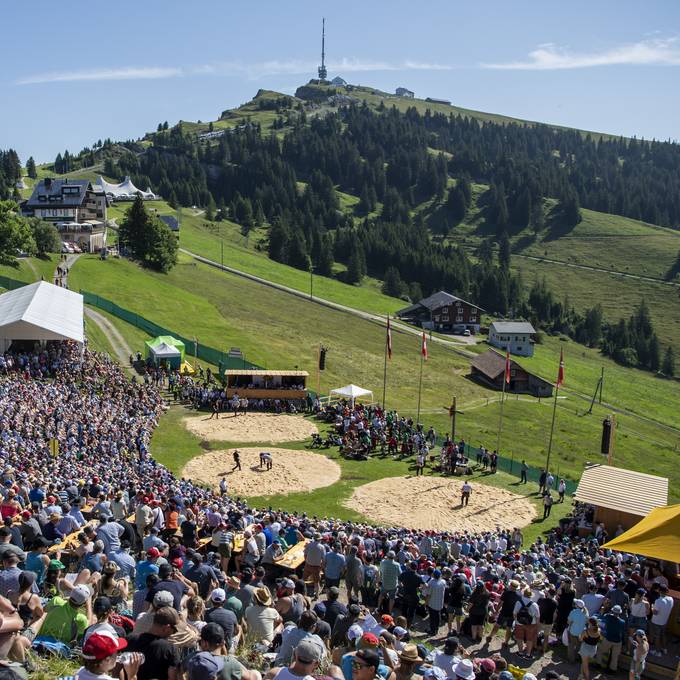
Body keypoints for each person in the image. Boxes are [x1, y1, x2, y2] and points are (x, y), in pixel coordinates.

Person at [127, 606, 183, 680]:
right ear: (166, 628)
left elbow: (118, 669)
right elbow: (172, 677)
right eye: (174, 631)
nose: (173, 634)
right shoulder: (171, 649)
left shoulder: (130, 639)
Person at [75, 630, 143, 680]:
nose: (119, 655)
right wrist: (132, 676)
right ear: (107, 660)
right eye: (117, 652)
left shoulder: (80, 672)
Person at [596, 604, 626, 673]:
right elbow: (623, 632)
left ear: (612, 611)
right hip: (618, 641)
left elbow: (602, 617)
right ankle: (612, 670)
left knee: (600, 651)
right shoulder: (622, 622)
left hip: (608, 639)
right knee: (614, 657)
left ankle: (598, 664)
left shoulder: (608, 617)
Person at [513, 587, 539, 659]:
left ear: (523, 594)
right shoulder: (534, 605)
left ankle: (520, 653)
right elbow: (537, 616)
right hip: (531, 624)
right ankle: (528, 654)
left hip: (519, 623)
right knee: (529, 639)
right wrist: (536, 625)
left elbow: (515, 613)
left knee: (519, 638)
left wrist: (516, 621)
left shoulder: (518, 602)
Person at [649, 583, 673, 656]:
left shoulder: (658, 601)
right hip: (664, 621)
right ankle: (664, 649)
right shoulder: (671, 599)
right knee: (663, 635)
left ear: (659, 591)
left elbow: (655, 612)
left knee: (657, 637)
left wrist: (652, 607)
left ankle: (658, 652)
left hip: (656, 622)